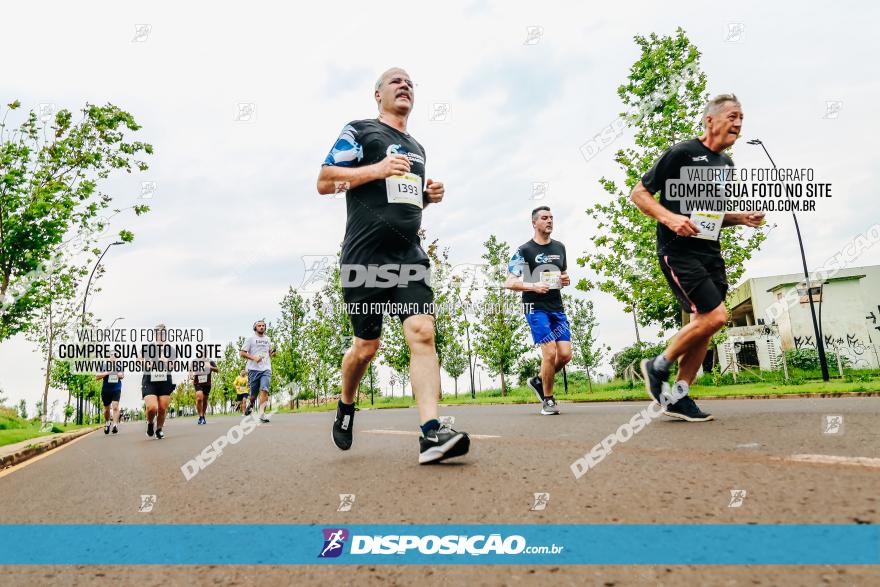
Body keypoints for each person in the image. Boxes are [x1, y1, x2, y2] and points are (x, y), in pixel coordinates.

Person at [317, 66, 470, 464]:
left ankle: (431, 434)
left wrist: (427, 197)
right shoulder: (361, 131)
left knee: (422, 332)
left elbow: (402, 201)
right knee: (366, 348)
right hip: (365, 257)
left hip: (409, 256)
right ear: (377, 94)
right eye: (395, 81)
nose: (405, 86)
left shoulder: (417, 146)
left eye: (410, 83)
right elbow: (325, 181)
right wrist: (378, 169)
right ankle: (346, 403)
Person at [631, 94, 764, 422]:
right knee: (716, 316)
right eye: (733, 116)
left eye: (742, 118)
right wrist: (670, 218)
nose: (739, 123)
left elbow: (711, 212)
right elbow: (639, 193)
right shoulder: (682, 153)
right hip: (678, 251)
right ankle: (656, 365)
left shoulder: (726, 165)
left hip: (710, 252)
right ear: (710, 121)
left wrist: (739, 218)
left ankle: (679, 396)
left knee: (703, 327)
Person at [505, 206, 571, 415]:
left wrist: (565, 279)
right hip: (535, 307)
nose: (549, 221)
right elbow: (510, 282)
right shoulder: (524, 251)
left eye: (551, 217)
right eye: (544, 218)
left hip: (556, 307)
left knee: (565, 355)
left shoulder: (559, 247)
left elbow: (563, 275)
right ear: (534, 223)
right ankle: (548, 399)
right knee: (550, 352)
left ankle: (538, 380)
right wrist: (533, 286)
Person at [140, 324, 175, 439]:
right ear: (155, 334)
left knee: (162, 408)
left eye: (163, 333)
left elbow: (172, 366)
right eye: (158, 333)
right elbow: (139, 359)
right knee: (152, 407)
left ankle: (159, 429)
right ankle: (150, 424)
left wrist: (166, 361)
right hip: (149, 380)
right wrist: (147, 363)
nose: (160, 335)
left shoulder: (171, 350)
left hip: (165, 380)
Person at [240, 320, 275, 423]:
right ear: (255, 328)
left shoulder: (268, 339)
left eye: (263, 326)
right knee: (253, 395)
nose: (261, 327)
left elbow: (269, 353)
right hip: (253, 369)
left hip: (266, 368)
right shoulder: (250, 339)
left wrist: (273, 354)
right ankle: (250, 405)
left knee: (265, 389)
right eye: (259, 326)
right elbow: (242, 353)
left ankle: (262, 414)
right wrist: (254, 358)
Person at [97, 367, 124, 434]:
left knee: (115, 407)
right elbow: (97, 377)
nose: (113, 357)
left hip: (116, 388)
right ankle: (107, 422)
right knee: (106, 409)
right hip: (106, 390)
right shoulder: (103, 365)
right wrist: (107, 372)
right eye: (111, 355)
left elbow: (122, 376)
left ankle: (115, 425)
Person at [192, 360, 218, 425]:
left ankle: (203, 415)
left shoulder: (210, 362)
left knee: (205, 399)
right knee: (199, 398)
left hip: (207, 384)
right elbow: (191, 370)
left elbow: (217, 370)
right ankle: (200, 416)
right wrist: (191, 374)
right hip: (197, 383)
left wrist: (210, 367)